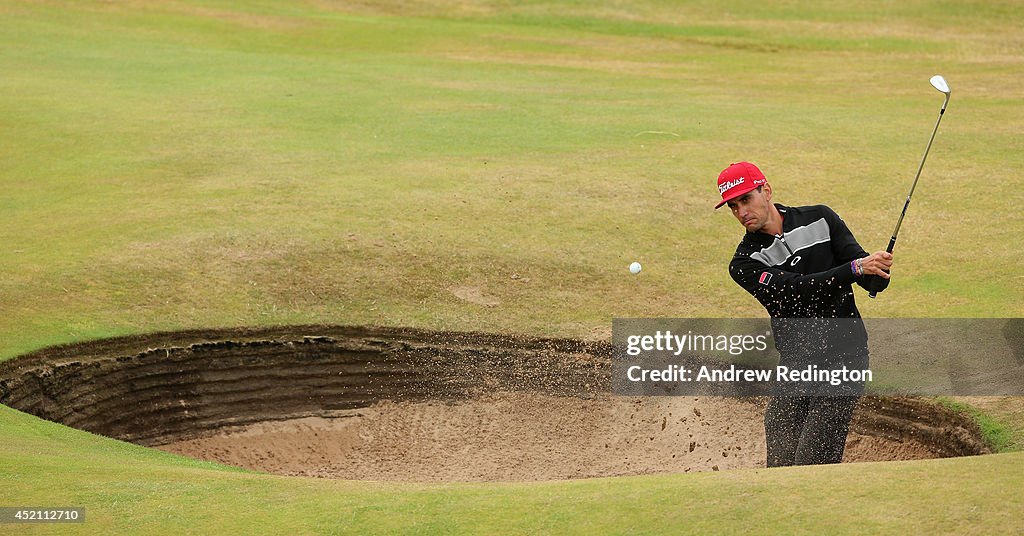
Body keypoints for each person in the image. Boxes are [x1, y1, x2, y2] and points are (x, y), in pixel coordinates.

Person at [715, 161, 893, 467]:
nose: (741, 212)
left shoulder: (820, 218)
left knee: (814, 458)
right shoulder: (744, 263)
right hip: (798, 363)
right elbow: (795, 290)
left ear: (766, 191)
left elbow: (866, 276)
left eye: (746, 199)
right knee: (781, 457)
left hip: (845, 357)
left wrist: (876, 271)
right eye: (733, 206)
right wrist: (853, 269)